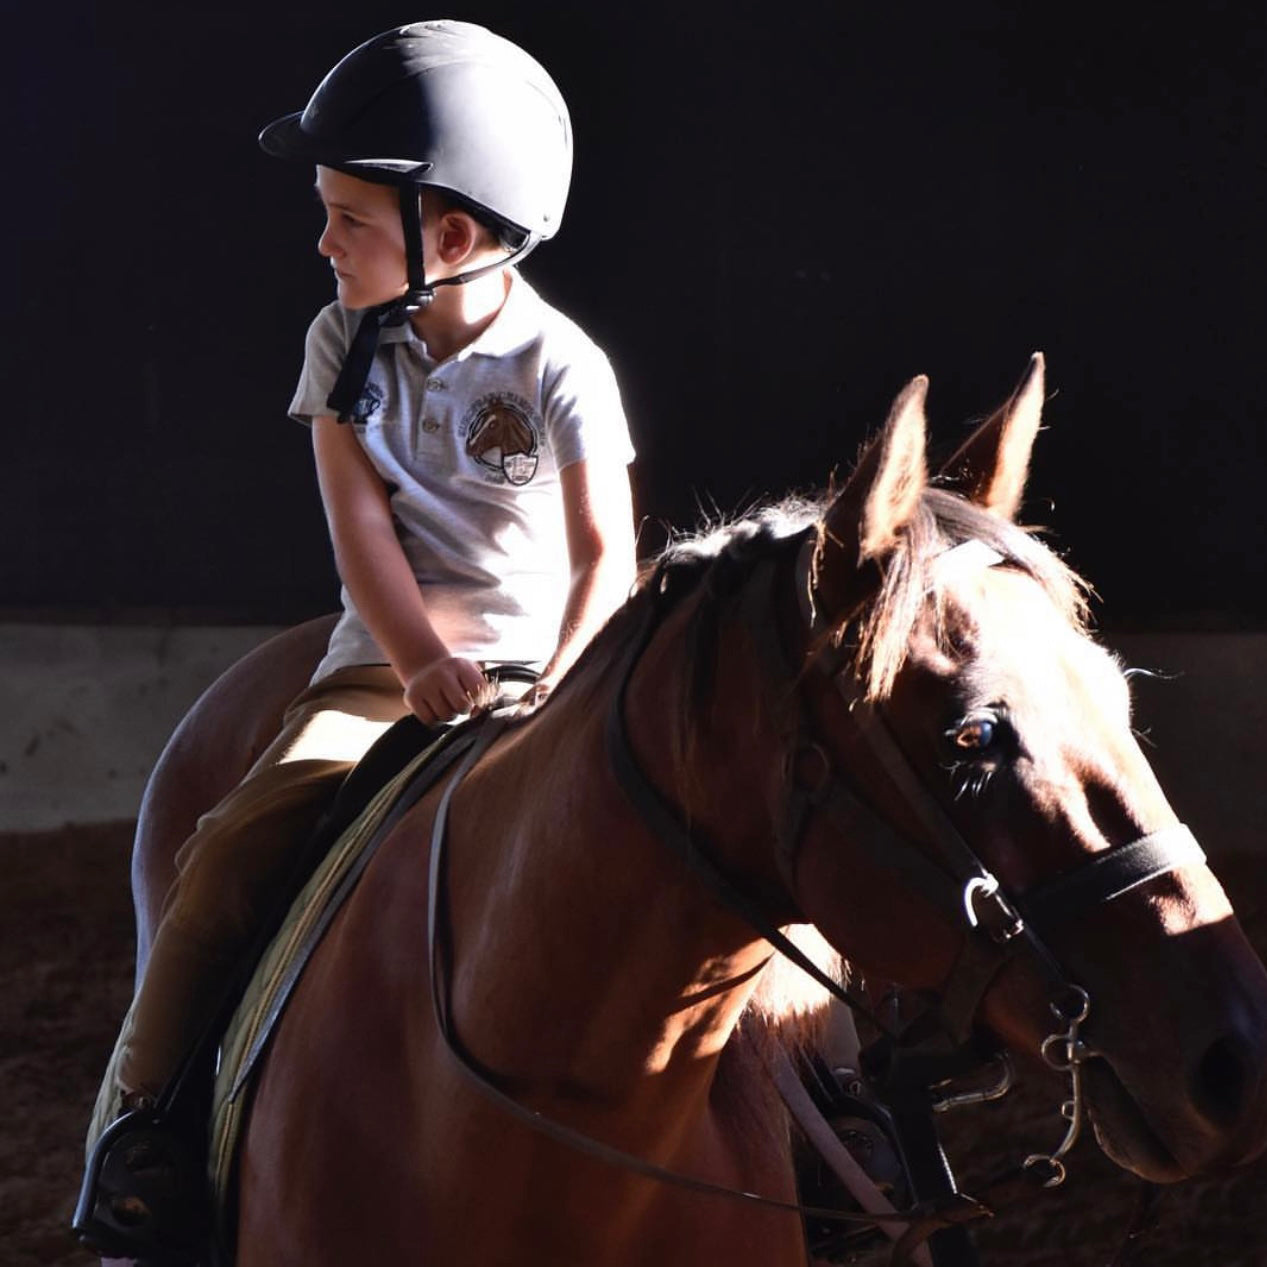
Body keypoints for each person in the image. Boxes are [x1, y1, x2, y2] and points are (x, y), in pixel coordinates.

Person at [75, 19, 637, 1257]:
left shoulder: (562, 366)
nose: (322, 242)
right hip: (386, 667)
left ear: (453, 238)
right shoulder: (340, 342)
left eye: (347, 219)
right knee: (229, 852)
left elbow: (608, 556)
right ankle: (139, 1127)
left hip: (549, 666)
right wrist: (420, 661)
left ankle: (836, 1107)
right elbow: (360, 531)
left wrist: (557, 682)